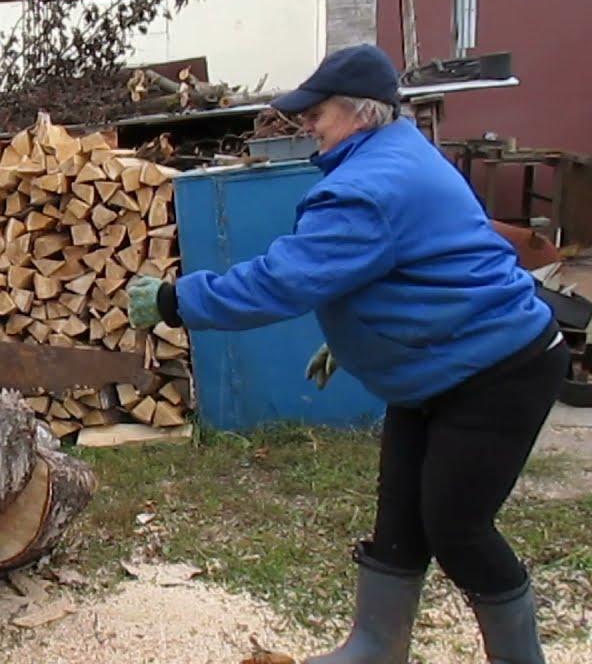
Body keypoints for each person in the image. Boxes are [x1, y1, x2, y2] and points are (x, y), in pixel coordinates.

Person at [127, 44, 564, 664]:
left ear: (359, 113)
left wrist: (176, 301)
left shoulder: (368, 188)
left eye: (316, 112)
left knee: (457, 528)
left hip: (496, 371)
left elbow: (284, 281)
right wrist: (354, 336)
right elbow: (416, 265)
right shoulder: (396, 152)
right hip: (438, 369)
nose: (306, 123)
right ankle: (375, 647)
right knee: (400, 519)